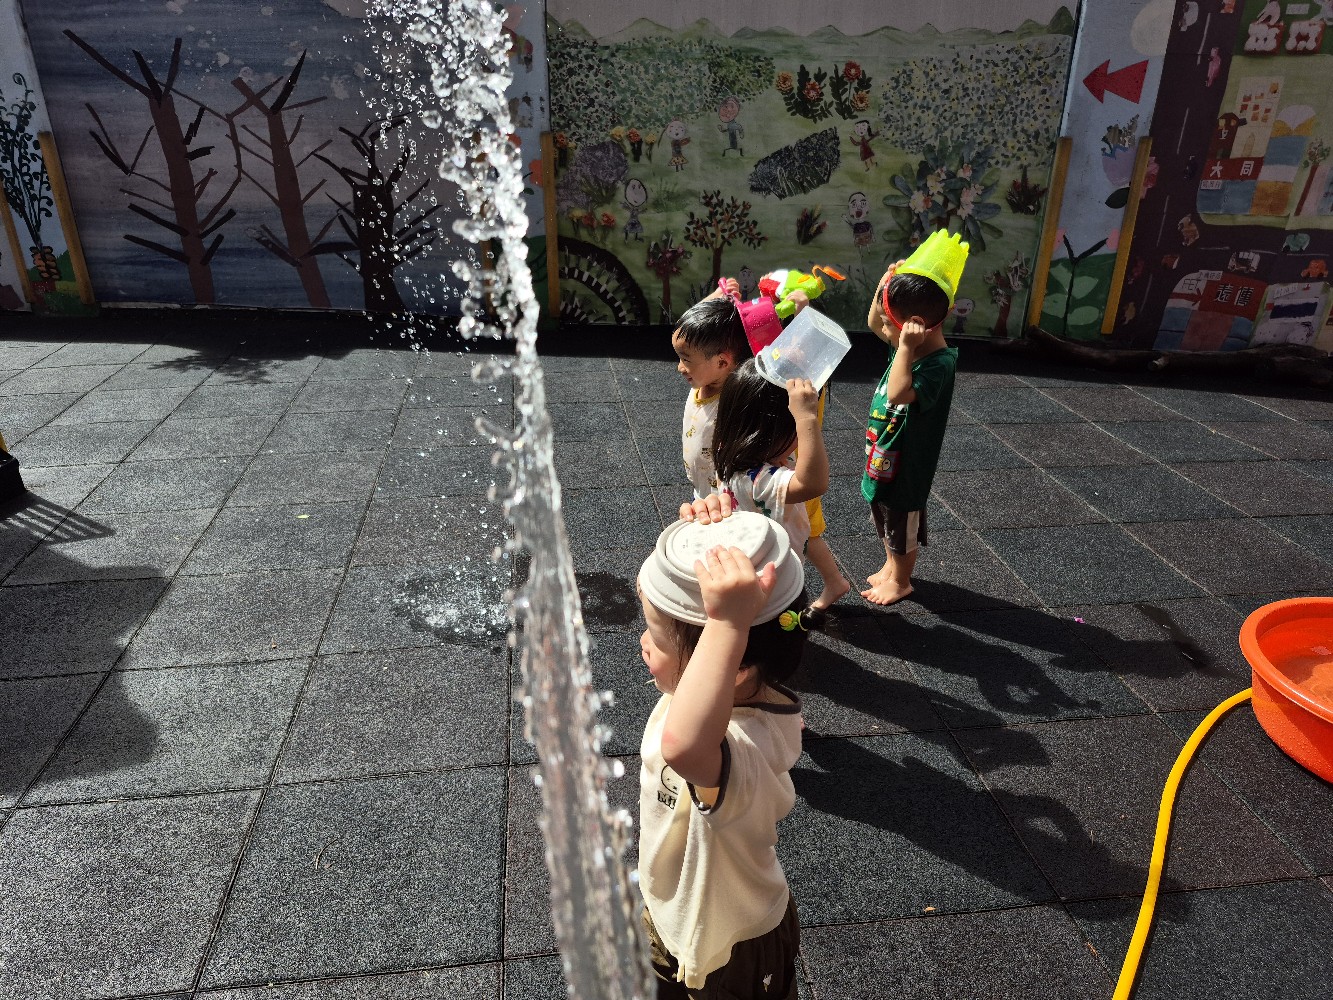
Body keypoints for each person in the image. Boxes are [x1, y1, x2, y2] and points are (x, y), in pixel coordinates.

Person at [636, 510, 808, 997]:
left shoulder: (744, 746)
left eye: (656, 639)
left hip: (730, 945)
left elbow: (683, 747)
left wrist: (728, 622)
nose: (643, 643)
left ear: (729, 666)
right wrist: (706, 532)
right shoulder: (705, 698)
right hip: (674, 909)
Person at [681, 362, 842, 629]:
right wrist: (807, 419)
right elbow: (814, 484)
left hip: (753, 560)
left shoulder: (728, 449)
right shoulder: (759, 480)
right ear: (773, 434)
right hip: (771, 576)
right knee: (771, 627)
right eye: (795, 430)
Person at [860, 230, 969, 607]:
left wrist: (905, 349)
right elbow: (873, 322)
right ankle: (891, 567)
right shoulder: (909, 345)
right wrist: (884, 284)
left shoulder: (937, 364)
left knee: (901, 525)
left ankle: (901, 580)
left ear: (916, 326)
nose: (883, 331)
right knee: (883, 517)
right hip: (883, 456)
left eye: (890, 325)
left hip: (907, 469)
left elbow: (898, 393)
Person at [673, 286, 748, 500]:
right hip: (701, 490)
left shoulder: (736, 400)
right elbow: (692, 332)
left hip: (725, 500)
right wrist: (716, 297)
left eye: (685, 360)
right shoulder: (703, 377)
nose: (680, 367)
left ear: (722, 362)